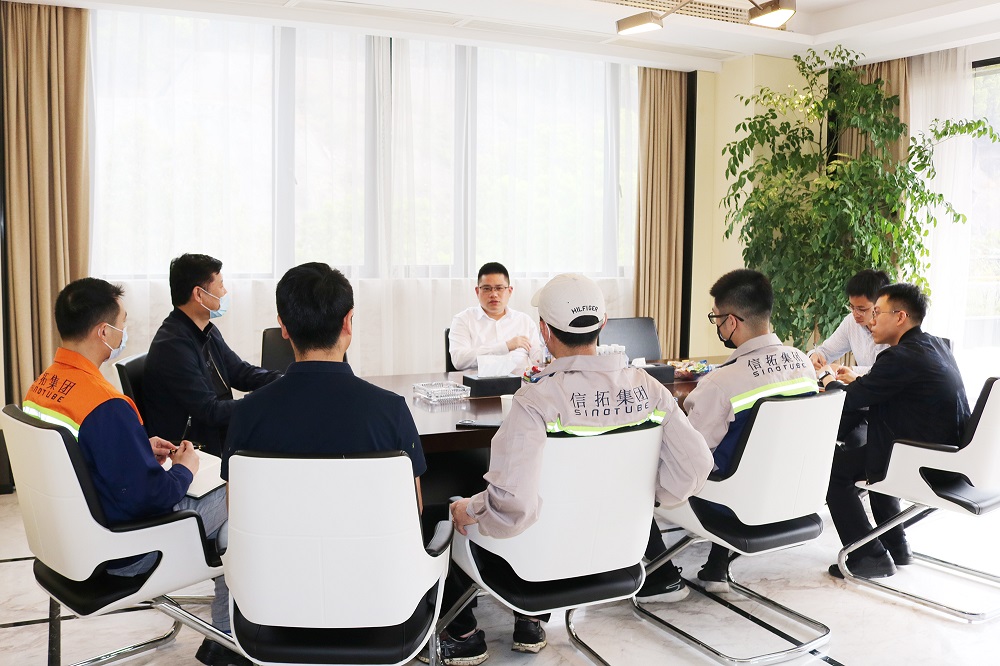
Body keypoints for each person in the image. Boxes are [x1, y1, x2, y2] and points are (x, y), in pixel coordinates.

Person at [428, 273, 713, 666]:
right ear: (603, 324)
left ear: (544, 331)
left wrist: (468, 508)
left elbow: (512, 506)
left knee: (448, 509)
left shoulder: (535, 400)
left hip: (535, 567)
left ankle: (464, 636)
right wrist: (648, 495)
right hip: (619, 556)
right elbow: (697, 464)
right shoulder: (650, 389)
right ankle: (530, 624)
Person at [22, 278, 246, 666]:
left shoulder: (40, 388)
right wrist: (184, 468)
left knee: (224, 517)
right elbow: (151, 497)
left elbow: (76, 459)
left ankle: (224, 624)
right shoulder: (105, 403)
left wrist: (137, 447)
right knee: (241, 495)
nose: (124, 331)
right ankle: (226, 636)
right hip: (123, 551)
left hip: (64, 541)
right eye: (123, 322)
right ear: (103, 331)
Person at [640, 269, 818, 598]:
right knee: (743, 455)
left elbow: (690, 457)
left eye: (716, 318)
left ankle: (659, 576)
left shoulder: (721, 383)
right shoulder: (804, 364)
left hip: (733, 505)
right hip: (794, 496)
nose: (718, 325)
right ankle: (716, 565)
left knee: (641, 472)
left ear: (731, 321)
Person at [220, 261, 425, 505]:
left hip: (283, 532)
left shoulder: (246, 413)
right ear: (348, 322)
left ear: (283, 327)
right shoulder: (392, 410)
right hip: (362, 532)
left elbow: (237, 512)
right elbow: (414, 509)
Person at [820, 283, 970, 579]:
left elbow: (850, 399)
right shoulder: (935, 345)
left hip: (925, 465)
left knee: (833, 469)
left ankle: (869, 557)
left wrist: (827, 379)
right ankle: (896, 546)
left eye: (877, 313)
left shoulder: (900, 357)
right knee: (876, 450)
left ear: (900, 317)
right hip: (951, 458)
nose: (871, 321)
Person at [144, 253, 282, 456]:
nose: (225, 292)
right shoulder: (172, 346)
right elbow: (209, 411)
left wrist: (283, 380)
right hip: (197, 448)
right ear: (199, 294)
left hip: (219, 434)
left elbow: (240, 372)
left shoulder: (206, 329)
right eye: (221, 285)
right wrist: (261, 404)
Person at [448, 262, 542, 372]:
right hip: (478, 382)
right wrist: (505, 347)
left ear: (509, 291)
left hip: (520, 382)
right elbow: (459, 360)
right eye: (487, 288)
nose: (493, 294)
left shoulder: (524, 321)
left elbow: (538, 358)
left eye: (499, 288)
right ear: (477, 291)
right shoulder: (463, 320)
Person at [809, 270, 891, 376]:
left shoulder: (894, 327)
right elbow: (826, 351)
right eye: (852, 307)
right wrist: (815, 356)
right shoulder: (851, 322)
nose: (855, 314)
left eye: (862, 309)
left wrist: (849, 370)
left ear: (880, 304)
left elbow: (890, 370)